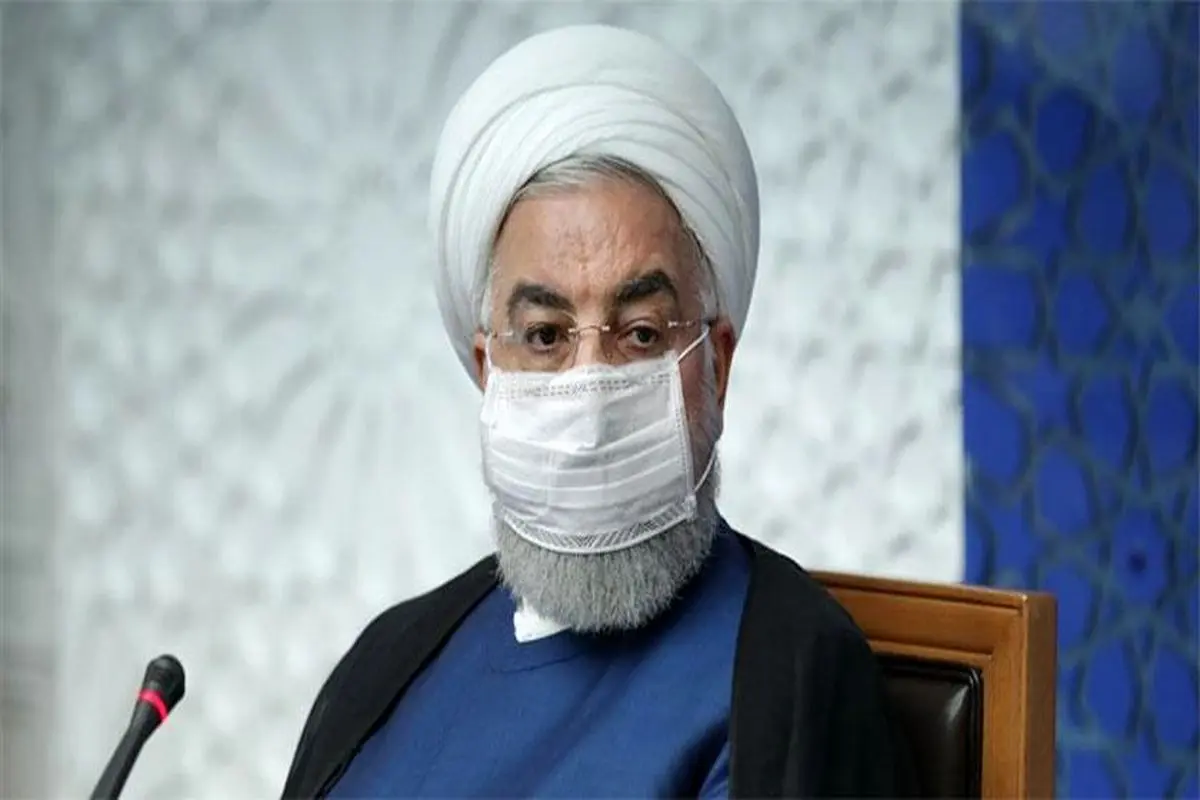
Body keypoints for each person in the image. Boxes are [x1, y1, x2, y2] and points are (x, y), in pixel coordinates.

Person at [282, 25, 913, 799]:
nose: (589, 396)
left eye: (641, 333)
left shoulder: (786, 675)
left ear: (717, 366)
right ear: (488, 371)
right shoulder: (389, 663)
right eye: (545, 336)